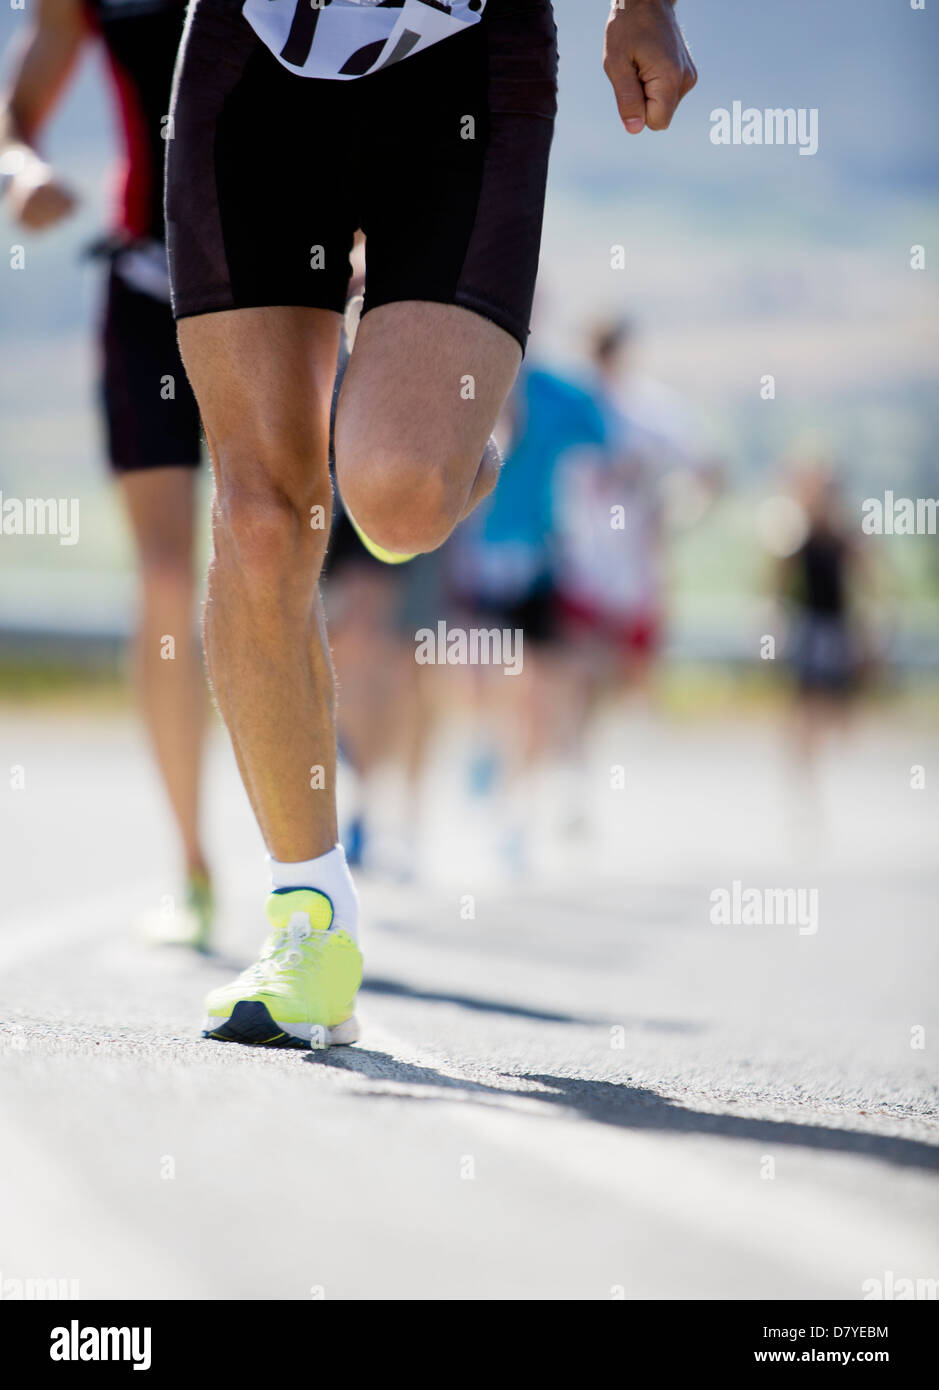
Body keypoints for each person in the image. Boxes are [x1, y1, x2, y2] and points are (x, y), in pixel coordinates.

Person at [165, 0, 698, 1048]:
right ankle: (309, 919)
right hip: (255, 52)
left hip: (464, 60)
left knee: (399, 498)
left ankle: (451, 432)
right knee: (262, 515)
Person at [0, 0, 214, 948]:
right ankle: (193, 862)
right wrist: (21, 171)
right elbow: (13, 116)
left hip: (292, 279)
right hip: (146, 287)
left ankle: (314, 834)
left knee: (283, 553)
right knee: (168, 577)